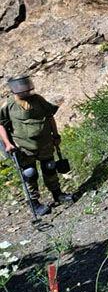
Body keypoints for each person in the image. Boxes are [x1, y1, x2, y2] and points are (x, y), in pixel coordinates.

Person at [0, 75, 74, 217]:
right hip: (23, 147)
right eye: (20, 86)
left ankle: (58, 194)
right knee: (30, 173)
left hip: (44, 143)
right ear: (14, 88)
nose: (24, 89)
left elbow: (50, 116)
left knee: (50, 167)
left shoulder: (38, 99)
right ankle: (34, 203)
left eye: (25, 85)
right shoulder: (8, 105)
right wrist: (8, 144)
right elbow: (1, 124)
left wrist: (56, 135)